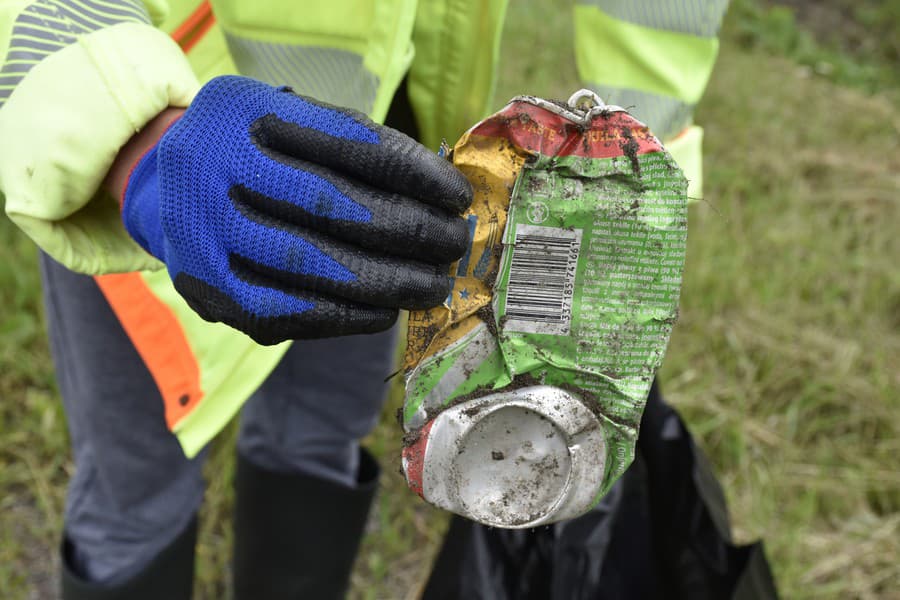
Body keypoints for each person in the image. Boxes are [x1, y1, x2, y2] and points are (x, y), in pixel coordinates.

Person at [0, 1, 746, 598]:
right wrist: (124, 135)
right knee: (138, 488)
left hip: (383, 147)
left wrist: (631, 169)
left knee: (317, 438)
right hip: (179, 139)